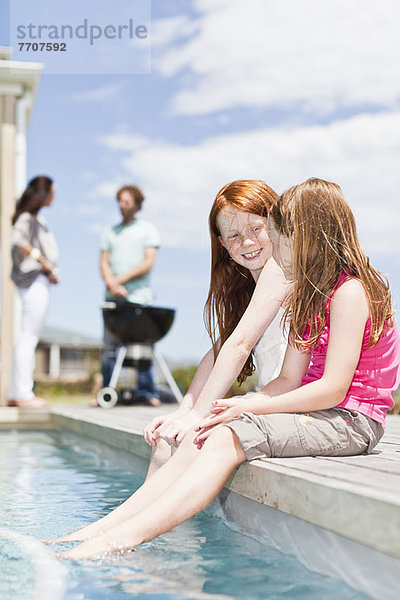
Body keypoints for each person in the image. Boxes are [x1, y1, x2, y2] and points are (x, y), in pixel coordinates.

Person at [54, 177, 400, 562]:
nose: (266, 246)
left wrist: (242, 408)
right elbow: (268, 368)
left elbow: (333, 388)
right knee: (202, 432)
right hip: (310, 407)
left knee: (218, 436)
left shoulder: (347, 292)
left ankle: (118, 539)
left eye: (273, 234)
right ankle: (114, 530)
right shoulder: (309, 294)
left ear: (308, 237)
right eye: (235, 235)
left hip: (349, 418)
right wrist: (197, 410)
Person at [46, 179, 289, 548]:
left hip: (288, 401)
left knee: (197, 434)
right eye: (234, 235)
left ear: (276, 224)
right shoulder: (248, 285)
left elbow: (240, 347)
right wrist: (186, 409)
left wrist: (200, 414)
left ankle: (113, 533)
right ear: (221, 244)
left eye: (257, 228)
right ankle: (159, 549)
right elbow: (220, 349)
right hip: (269, 400)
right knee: (167, 439)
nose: (248, 242)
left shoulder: (282, 271)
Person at [98, 185, 161, 406]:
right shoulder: (110, 232)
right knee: (109, 347)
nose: (122, 206)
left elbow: (148, 263)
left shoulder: (148, 230)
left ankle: (147, 392)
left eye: (126, 201)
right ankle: (106, 392)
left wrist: (120, 280)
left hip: (139, 298)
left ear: (136, 203)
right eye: (119, 201)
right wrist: (111, 283)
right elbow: (103, 261)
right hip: (112, 297)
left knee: (143, 347)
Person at [7, 176, 59, 409]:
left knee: (25, 336)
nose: (54, 196)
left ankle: (14, 393)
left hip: (39, 279)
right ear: (43, 193)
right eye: (52, 192)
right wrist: (43, 262)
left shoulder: (38, 220)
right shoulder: (27, 219)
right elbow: (18, 240)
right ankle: (24, 394)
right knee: (29, 337)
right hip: (33, 280)